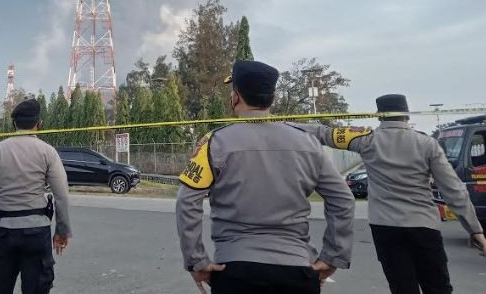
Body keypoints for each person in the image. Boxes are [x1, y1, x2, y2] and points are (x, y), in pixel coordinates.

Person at [176, 60, 355, 294]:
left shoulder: (214, 143)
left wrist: (196, 261)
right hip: (296, 270)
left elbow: (186, 201)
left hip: (235, 271)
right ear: (272, 97)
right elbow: (343, 199)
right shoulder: (308, 143)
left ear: (236, 96)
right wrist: (333, 256)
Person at [301, 94, 486, 294]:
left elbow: (323, 133)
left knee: (401, 288)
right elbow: (454, 190)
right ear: (406, 114)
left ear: (380, 116)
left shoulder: (366, 140)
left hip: (385, 228)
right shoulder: (427, 144)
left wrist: (277, 123)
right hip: (424, 226)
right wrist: (475, 230)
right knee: (438, 287)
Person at [0, 98, 71, 294]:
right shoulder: (48, 152)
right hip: (37, 234)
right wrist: (62, 232)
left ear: (14, 124)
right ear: (38, 124)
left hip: (5, 234)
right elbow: (62, 195)